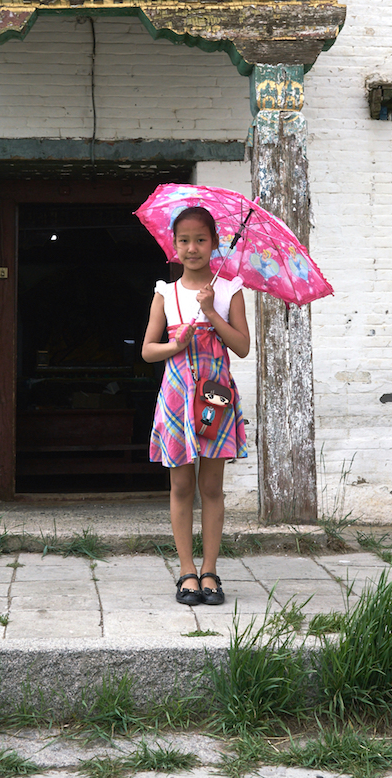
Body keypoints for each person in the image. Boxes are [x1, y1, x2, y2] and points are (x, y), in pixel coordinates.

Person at [142, 205, 250, 606]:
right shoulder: (165, 293)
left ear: (215, 244)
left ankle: (210, 571)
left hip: (215, 398)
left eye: (201, 240)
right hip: (176, 398)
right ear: (173, 245)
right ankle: (186, 572)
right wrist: (176, 344)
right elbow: (148, 351)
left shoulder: (228, 289)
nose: (192, 248)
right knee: (182, 485)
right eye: (184, 240)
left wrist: (210, 313)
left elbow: (241, 346)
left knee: (212, 487)